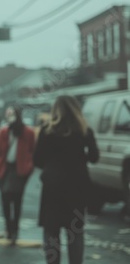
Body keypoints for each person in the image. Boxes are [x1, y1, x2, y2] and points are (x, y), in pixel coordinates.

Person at [34, 95, 99, 264]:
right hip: (77, 188)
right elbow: (94, 157)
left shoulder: (46, 130)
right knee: (75, 232)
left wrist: (51, 166)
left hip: (52, 187)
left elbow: (37, 160)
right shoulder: (84, 130)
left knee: (51, 230)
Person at [0, 105, 36, 245]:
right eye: (8, 113)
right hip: (5, 169)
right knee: (5, 200)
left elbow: (32, 150)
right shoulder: (4, 131)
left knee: (17, 201)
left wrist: (29, 167)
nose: (9, 115)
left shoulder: (27, 132)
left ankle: (15, 230)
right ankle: (9, 228)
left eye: (11, 113)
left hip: (20, 169)